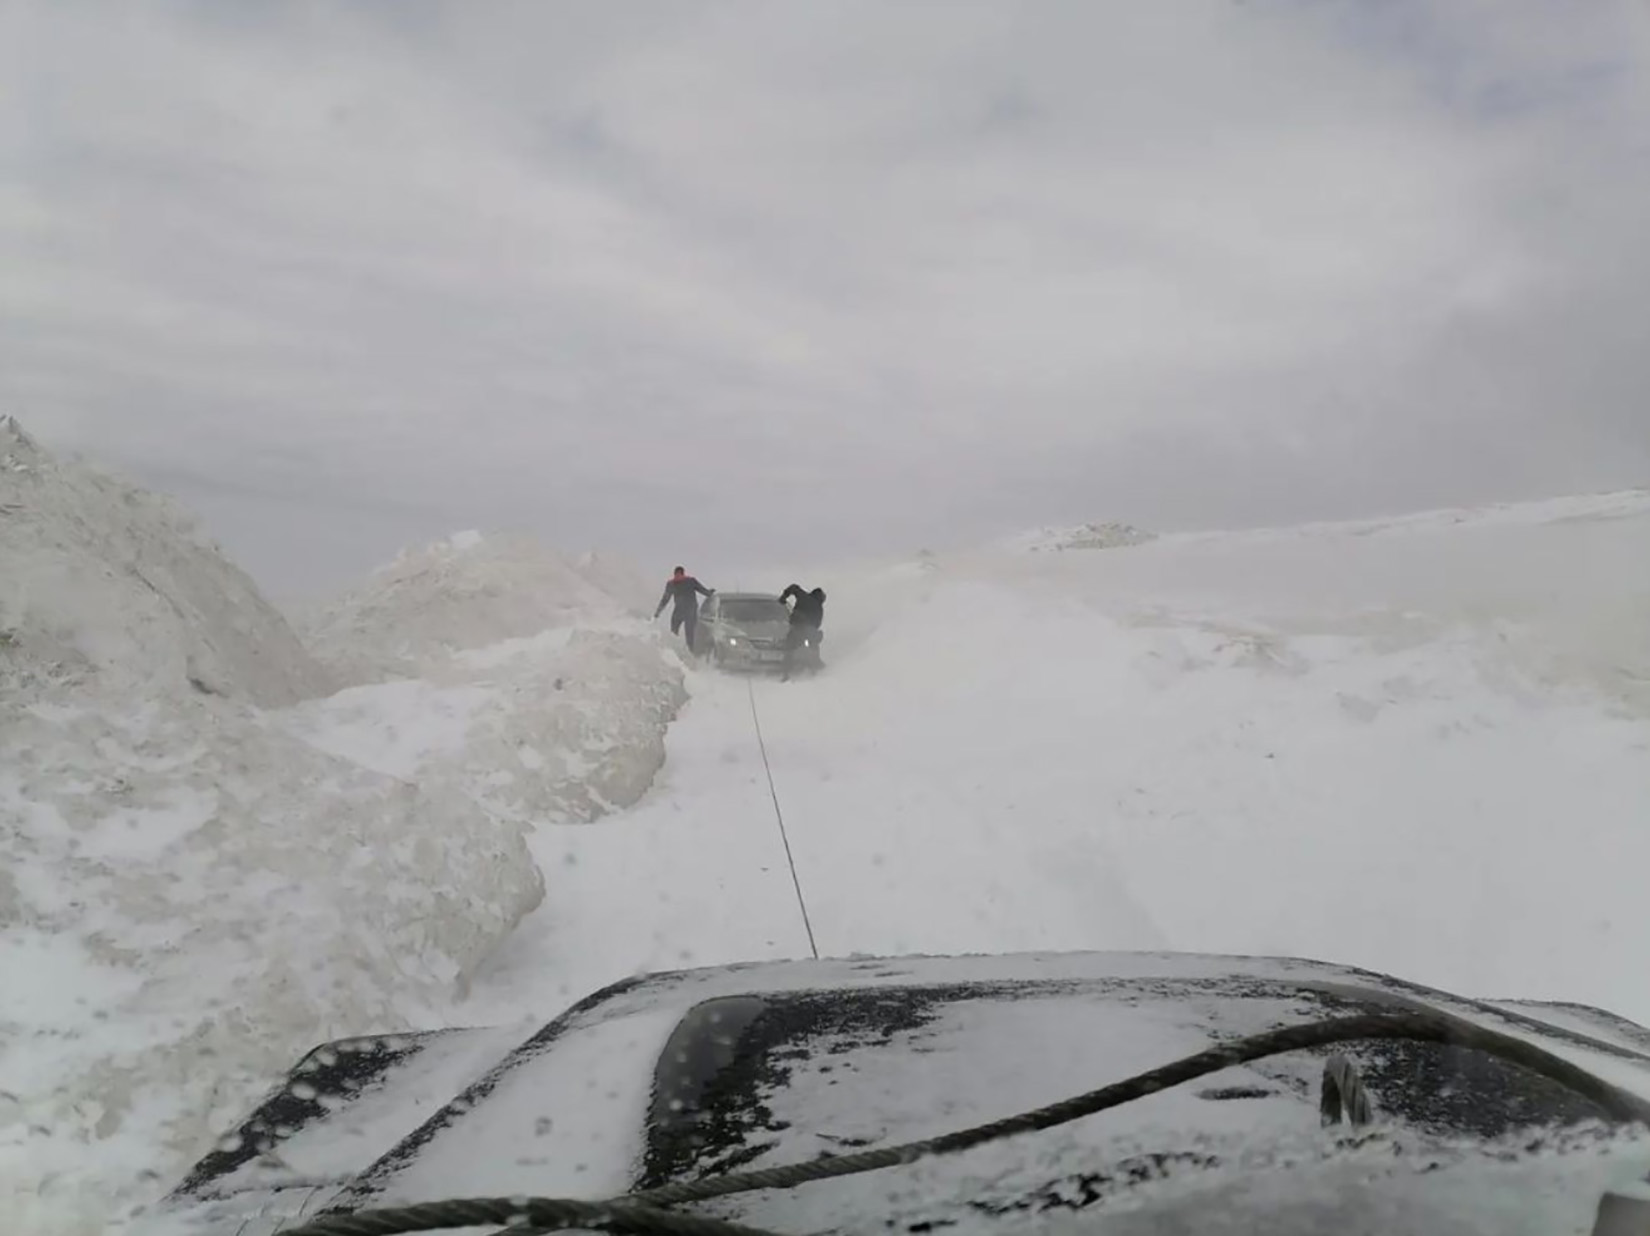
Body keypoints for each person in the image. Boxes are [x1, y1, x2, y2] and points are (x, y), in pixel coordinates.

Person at [655, 566, 713, 653]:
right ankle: (691, 652)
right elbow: (702, 590)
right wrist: (710, 593)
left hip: (679, 610)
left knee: (674, 632)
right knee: (690, 634)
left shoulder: (671, 583)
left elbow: (665, 600)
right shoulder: (690, 581)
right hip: (690, 610)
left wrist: (658, 612)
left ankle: (673, 651)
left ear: (675, 573)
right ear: (683, 572)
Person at [778, 584, 826, 680]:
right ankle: (815, 666)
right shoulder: (819, 608)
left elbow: (794, 587)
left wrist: (783, 597)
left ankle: (786, 672)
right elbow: (817, 624)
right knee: (813, 645)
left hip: (796, 628)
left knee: (789, 650)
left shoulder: (804, 596)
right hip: (809, 631)